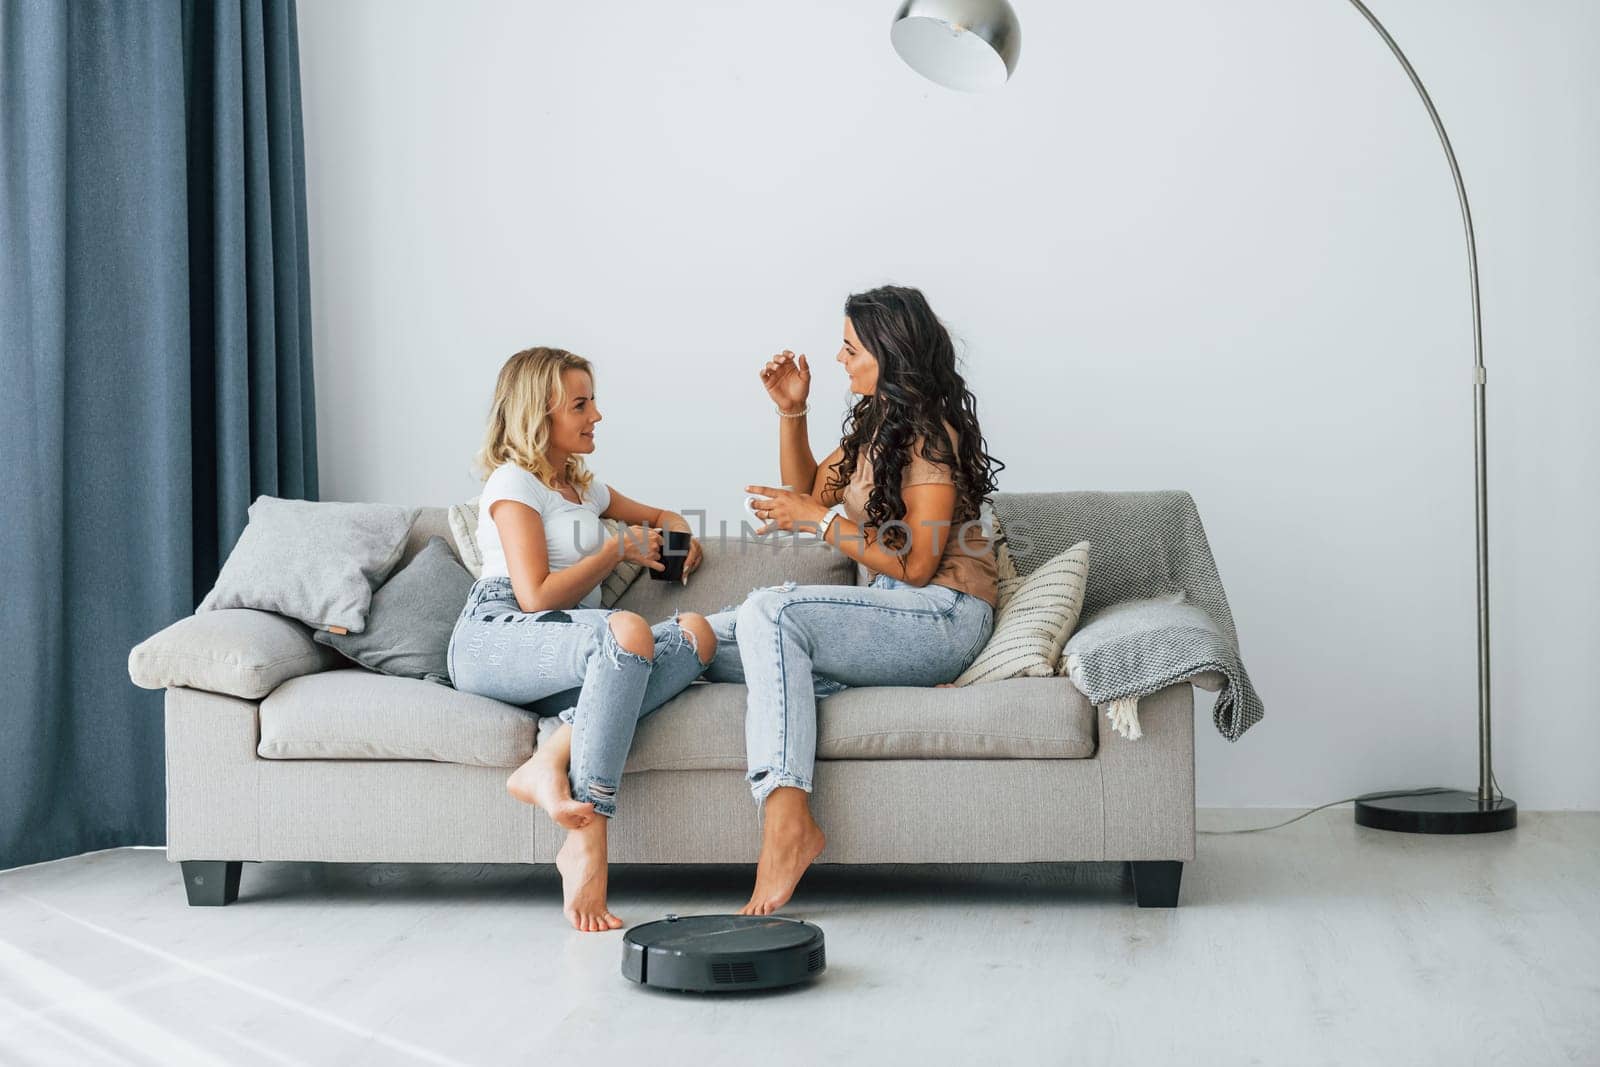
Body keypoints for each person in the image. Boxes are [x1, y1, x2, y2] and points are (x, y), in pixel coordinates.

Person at [703, 285, 1004, 915]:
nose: (840, 360)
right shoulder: (877, 428)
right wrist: (792, 411)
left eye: (850, 349)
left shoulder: (928, 437)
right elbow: (808, 489)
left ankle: (789, 824)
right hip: (893, 615)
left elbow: (918, 566)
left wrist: (818, 521)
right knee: (695, 637)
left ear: (890, 355)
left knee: (770, 610)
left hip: (941, 617)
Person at [448, 346, 714, 932]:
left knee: (697, 634)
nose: (596, 415)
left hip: (578, 651)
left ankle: (548, 758)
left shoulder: (585, 490)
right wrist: (616, 549)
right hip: (500, 635)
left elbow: (664, 514)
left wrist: (678, 537)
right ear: (538, 414)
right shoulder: (512, 482)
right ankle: (588, 840)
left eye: (593, 400)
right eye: (581, 403)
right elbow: (536, 596)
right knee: (627, 631)